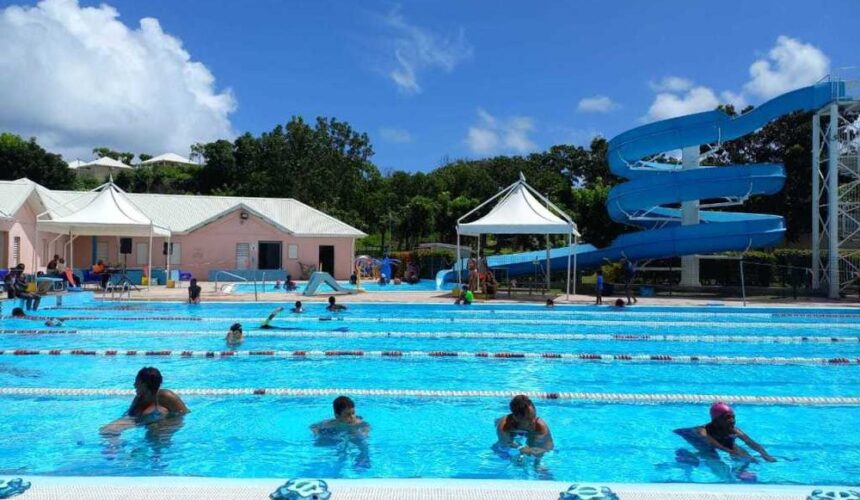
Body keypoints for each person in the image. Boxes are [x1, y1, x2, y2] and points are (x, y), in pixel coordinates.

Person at [673, 402, 775, 482]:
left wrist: (765, 454)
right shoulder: (702, 430)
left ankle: (740, 471)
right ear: (716, 420)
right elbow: (712, 443)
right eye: (727, 418)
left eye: (733, 417)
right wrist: (732, 452)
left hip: (718, 440)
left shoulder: (734, 429)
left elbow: (750, 442)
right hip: (699, 440)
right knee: (712, 456)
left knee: (743, 453)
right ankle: (688, 455)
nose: (732, 420)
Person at [100, 367, 189, 435]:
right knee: (107, 430)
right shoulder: (139, 398)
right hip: (141, 421)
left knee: (154, 430)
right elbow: (129, 416)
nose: (134, 385)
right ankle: (114, 454)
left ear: (144, 384)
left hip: (162, 425)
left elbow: (184, 413)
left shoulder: (166, 396)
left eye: (137, 382)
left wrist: (166, 424)